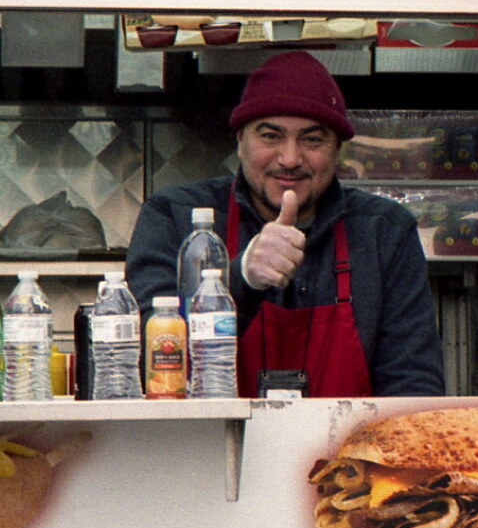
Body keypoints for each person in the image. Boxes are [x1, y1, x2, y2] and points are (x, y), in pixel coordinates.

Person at [126, 50, 445, 397]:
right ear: (240, 140)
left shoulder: (384, 230)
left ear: (338, 149)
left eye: (312, 139)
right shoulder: (174, 216)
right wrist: (242, 280)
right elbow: (148, 360)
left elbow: (413, 384)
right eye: (270, 136)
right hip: (209, 447)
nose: (290, 159)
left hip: (345, 446)